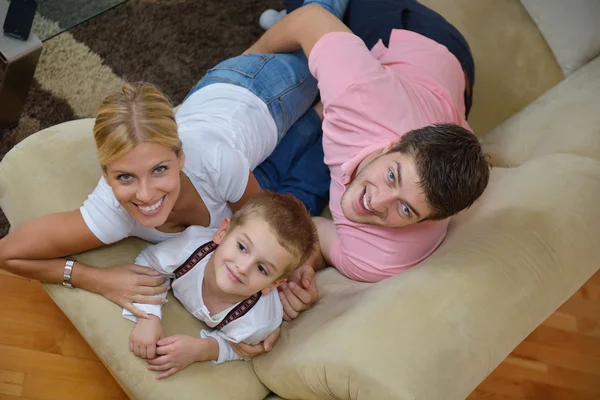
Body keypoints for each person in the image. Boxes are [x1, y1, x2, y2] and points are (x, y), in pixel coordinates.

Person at [0, 0, 350, 352]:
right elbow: (8, 254)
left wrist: (286, 286)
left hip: (260, 96)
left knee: (329, 39)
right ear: (105, 175)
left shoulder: (216, 160)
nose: (146, 195)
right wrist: (96, 279)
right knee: (321, 100)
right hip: (225, 112)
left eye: (160, 170)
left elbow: (268, 219)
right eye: (125, 177)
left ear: (180, 157)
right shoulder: (108, 214)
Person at [248, 0, 490, 283]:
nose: (376, 202)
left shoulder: (379, 258)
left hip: (454, 94)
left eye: (405, 209)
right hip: (414, 37)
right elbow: (310, 20)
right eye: (391, 176)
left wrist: (297, 268)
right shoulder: (360, 94)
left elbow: (314, 235)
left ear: (426, 222)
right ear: (392, 145)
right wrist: (251, 63)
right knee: (307, 10)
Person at [124, 192, 317, 379]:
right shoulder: (190, 247)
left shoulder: (257, 323)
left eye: (261, 268)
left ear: (272, 285)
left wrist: (202, 350)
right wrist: (148, 317)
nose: (243, 268)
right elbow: (147, 262)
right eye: (242, 247)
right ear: (223, 233)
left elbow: (243, 349)